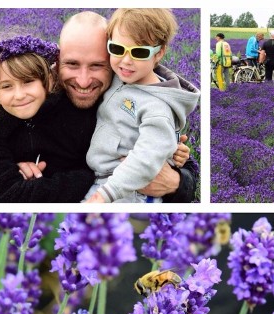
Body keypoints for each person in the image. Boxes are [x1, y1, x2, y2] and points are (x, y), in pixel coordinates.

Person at [0, 10, 197, 203]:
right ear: (57, 60)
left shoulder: (135, 95)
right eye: (72, 64)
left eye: (97, 65)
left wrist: (178, 183)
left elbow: (179, 159)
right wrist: (11, 170)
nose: (84, 80)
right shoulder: (31, 93)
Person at [84, 8, 200, 203]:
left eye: (139, 52)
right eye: (117, 49)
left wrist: (104, 195)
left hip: (129, 192)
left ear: (159, 53)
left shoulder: (157, 108)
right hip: (104, 181)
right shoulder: (121, 78)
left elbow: (146, 159)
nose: (126, 60)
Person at [0, 35, 96, 202]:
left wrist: (29, 185)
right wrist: (78, 180)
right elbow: (2, 193)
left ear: (48, 81)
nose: (19, 95)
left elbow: (94, 171)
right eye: (7, 86)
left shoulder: (73, 114)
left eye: (28, 82)